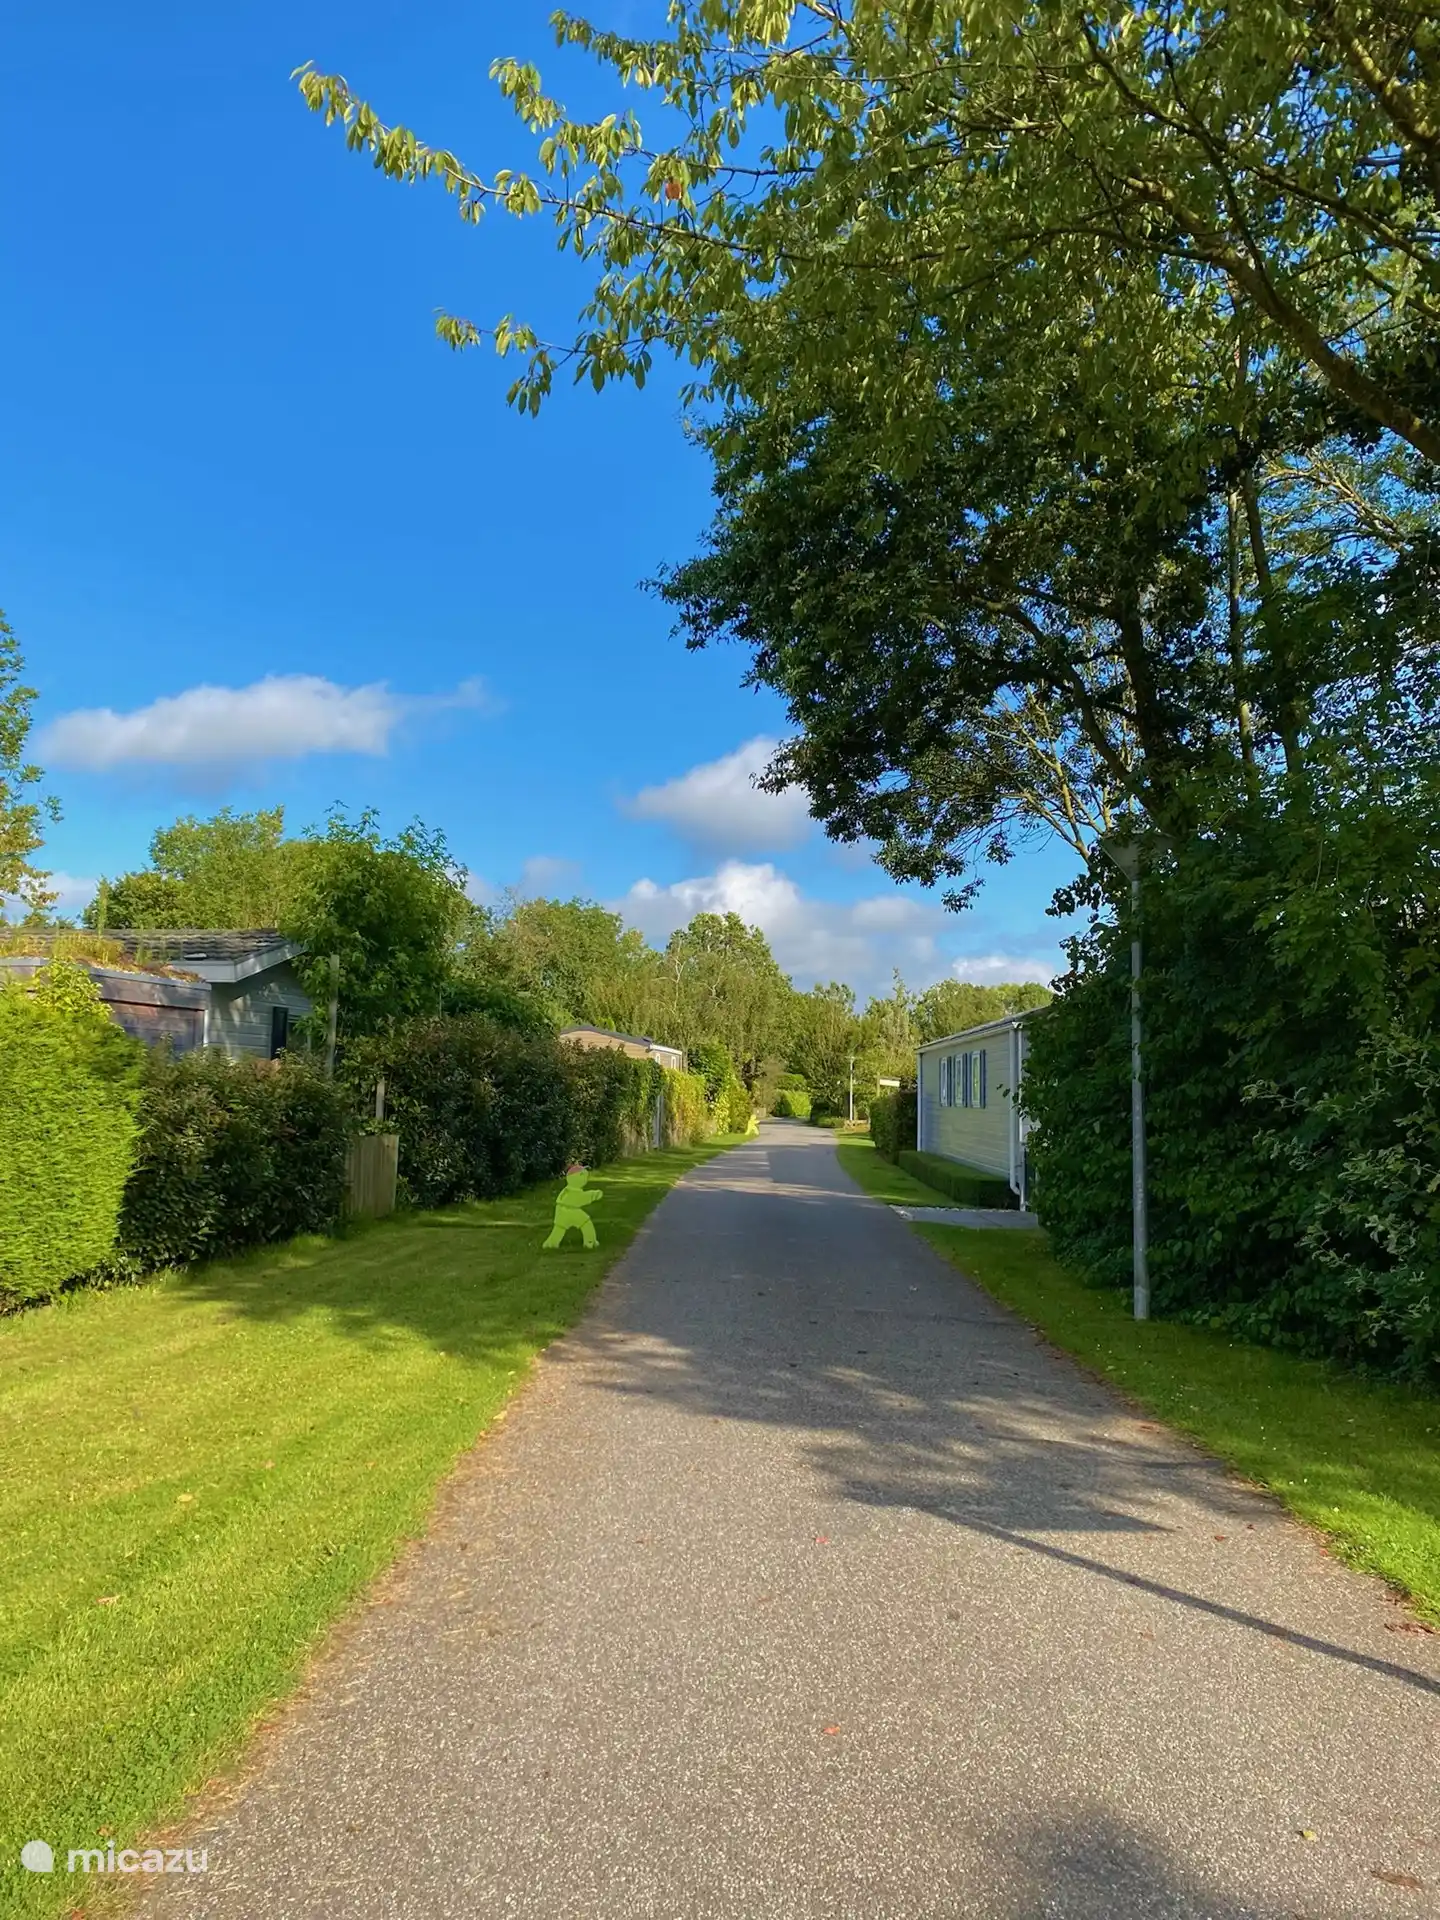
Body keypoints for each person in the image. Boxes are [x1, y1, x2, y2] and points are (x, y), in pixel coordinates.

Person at [542, 1162, 604, 1250]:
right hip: (571, 1212)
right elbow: (582, 1199)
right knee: (586, 1223)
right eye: (584, 1176)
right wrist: (594, 1195)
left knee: (558, 1229)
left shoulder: (567, 1190)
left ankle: (551, 1244)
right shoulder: (574, 1191)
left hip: (561, 1212)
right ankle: (590, 1242)